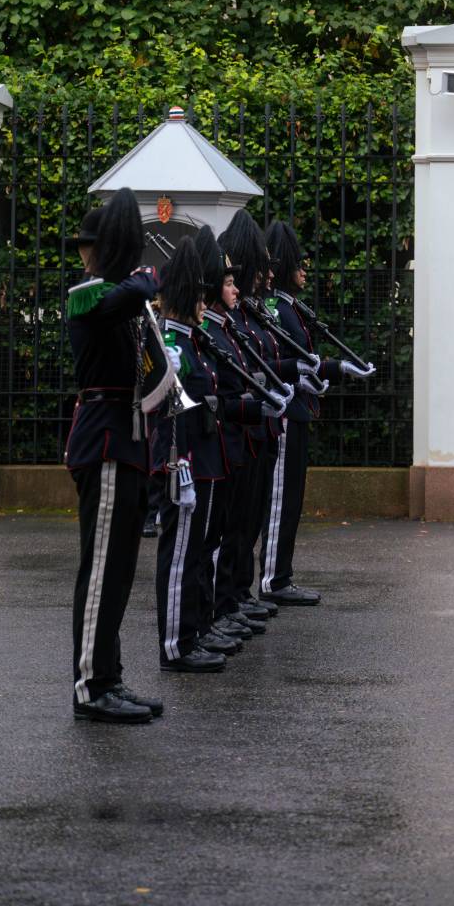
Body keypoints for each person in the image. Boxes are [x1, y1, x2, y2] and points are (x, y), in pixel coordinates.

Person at [66, 187, 166, 724]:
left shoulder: (121, 298)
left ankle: (109, 675)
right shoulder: (88, 294)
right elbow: (141, 286)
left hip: (127, 441)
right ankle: (89, 685)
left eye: (91, 246)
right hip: (103, 440)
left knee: (120, 571)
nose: (85, 254)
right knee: (101, 569)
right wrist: (137, 272)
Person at [259, 220, 373, 606]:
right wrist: (313, 375)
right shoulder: (274, 307)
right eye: (299, 265)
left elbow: (303, 360)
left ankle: (280, 573)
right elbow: (283, 361)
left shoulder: (288, 306)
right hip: (285, 411)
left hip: (297, 408)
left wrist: (336, 370)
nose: (305, 271)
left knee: (291, 498)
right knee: (281, 499)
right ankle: (273, 578)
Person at [193, 224, 288, 646]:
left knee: (243, 522)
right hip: (227, 441)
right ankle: (220, 603)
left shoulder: (235, 323)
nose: (236, 287)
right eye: (227, 281)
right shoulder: (215, 328)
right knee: (220, 533)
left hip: (248, 436)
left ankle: (234, 595)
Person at [152, 238, 229, 675]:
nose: (205, 302)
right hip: (183, 462)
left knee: (196, 551)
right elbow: (170, 413)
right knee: (180, 553)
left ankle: (192, 631)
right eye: (198, 294)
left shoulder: (190, 340)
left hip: (200, 458)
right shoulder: (174, 343)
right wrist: (175, 465)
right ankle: (176, 643)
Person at [216, 209, 294, 624]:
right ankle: (226, 596)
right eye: (260, 267)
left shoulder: (253, 311)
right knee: (233, 522)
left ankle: (239, 591)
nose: (267, 275)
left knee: (251, 517)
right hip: (239, 430)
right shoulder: (232, 318)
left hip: (260, 427)